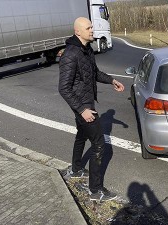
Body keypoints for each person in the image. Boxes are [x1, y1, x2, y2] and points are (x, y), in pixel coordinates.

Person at [58, 17, 124, 202]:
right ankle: (95, 190)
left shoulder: (86, 50)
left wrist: (112, 80)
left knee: (81, 134)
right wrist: (82, 110)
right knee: (99, 145)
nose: (92, 30)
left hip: (85, 103)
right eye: (88, 28)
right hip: (82, 105)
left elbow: (94, 73)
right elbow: (64, 88)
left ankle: (76, 169)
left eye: (92, 27)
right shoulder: (71, 54)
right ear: (78, 32)